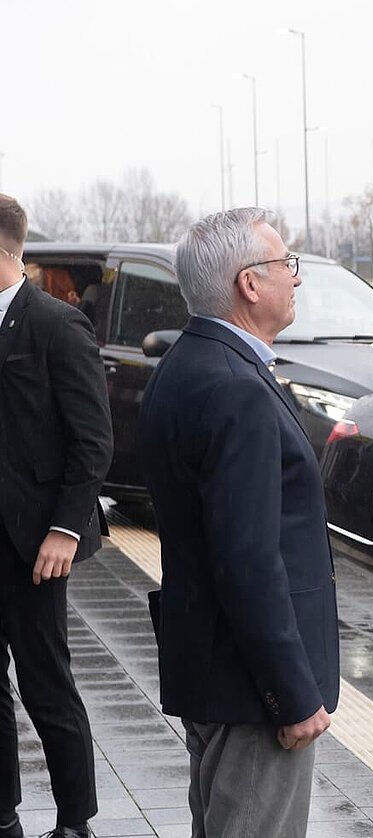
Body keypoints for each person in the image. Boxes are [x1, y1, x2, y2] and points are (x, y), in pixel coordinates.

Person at [137, 208, 338, 838]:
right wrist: (292, 693)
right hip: (253, 691)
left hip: (215, 669)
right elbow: (248, 560)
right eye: (286, 264)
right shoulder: (235, 387)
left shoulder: (186, 365)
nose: (296, 277)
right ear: (249, 283)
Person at [0, 194, 112, 838]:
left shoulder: (57, 324)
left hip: (36, 544)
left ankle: (75, 822)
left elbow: (93, 441)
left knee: (46, 685)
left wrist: (65, 530)